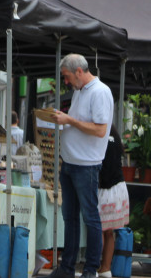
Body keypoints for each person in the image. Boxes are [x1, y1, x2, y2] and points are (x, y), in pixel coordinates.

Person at [48, 54, 114, 278]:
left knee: (89, 217)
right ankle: (67, 267)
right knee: (70, 218)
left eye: (66, 76)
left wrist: (69, 120)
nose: (65, 82)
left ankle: (90, 269)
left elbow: (99, 130)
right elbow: (82, 125)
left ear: (78, 71)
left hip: (86, 165)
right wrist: (65, 120)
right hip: (71, 162)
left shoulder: (100, 91)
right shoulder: (80, 91)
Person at [97, 127, 130, 278]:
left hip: (105, 188)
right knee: (109, 232)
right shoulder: (115, 136)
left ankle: (95, 266)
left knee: (99, 229)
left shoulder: (99, 134)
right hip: (119, 187)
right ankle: (105, 268)